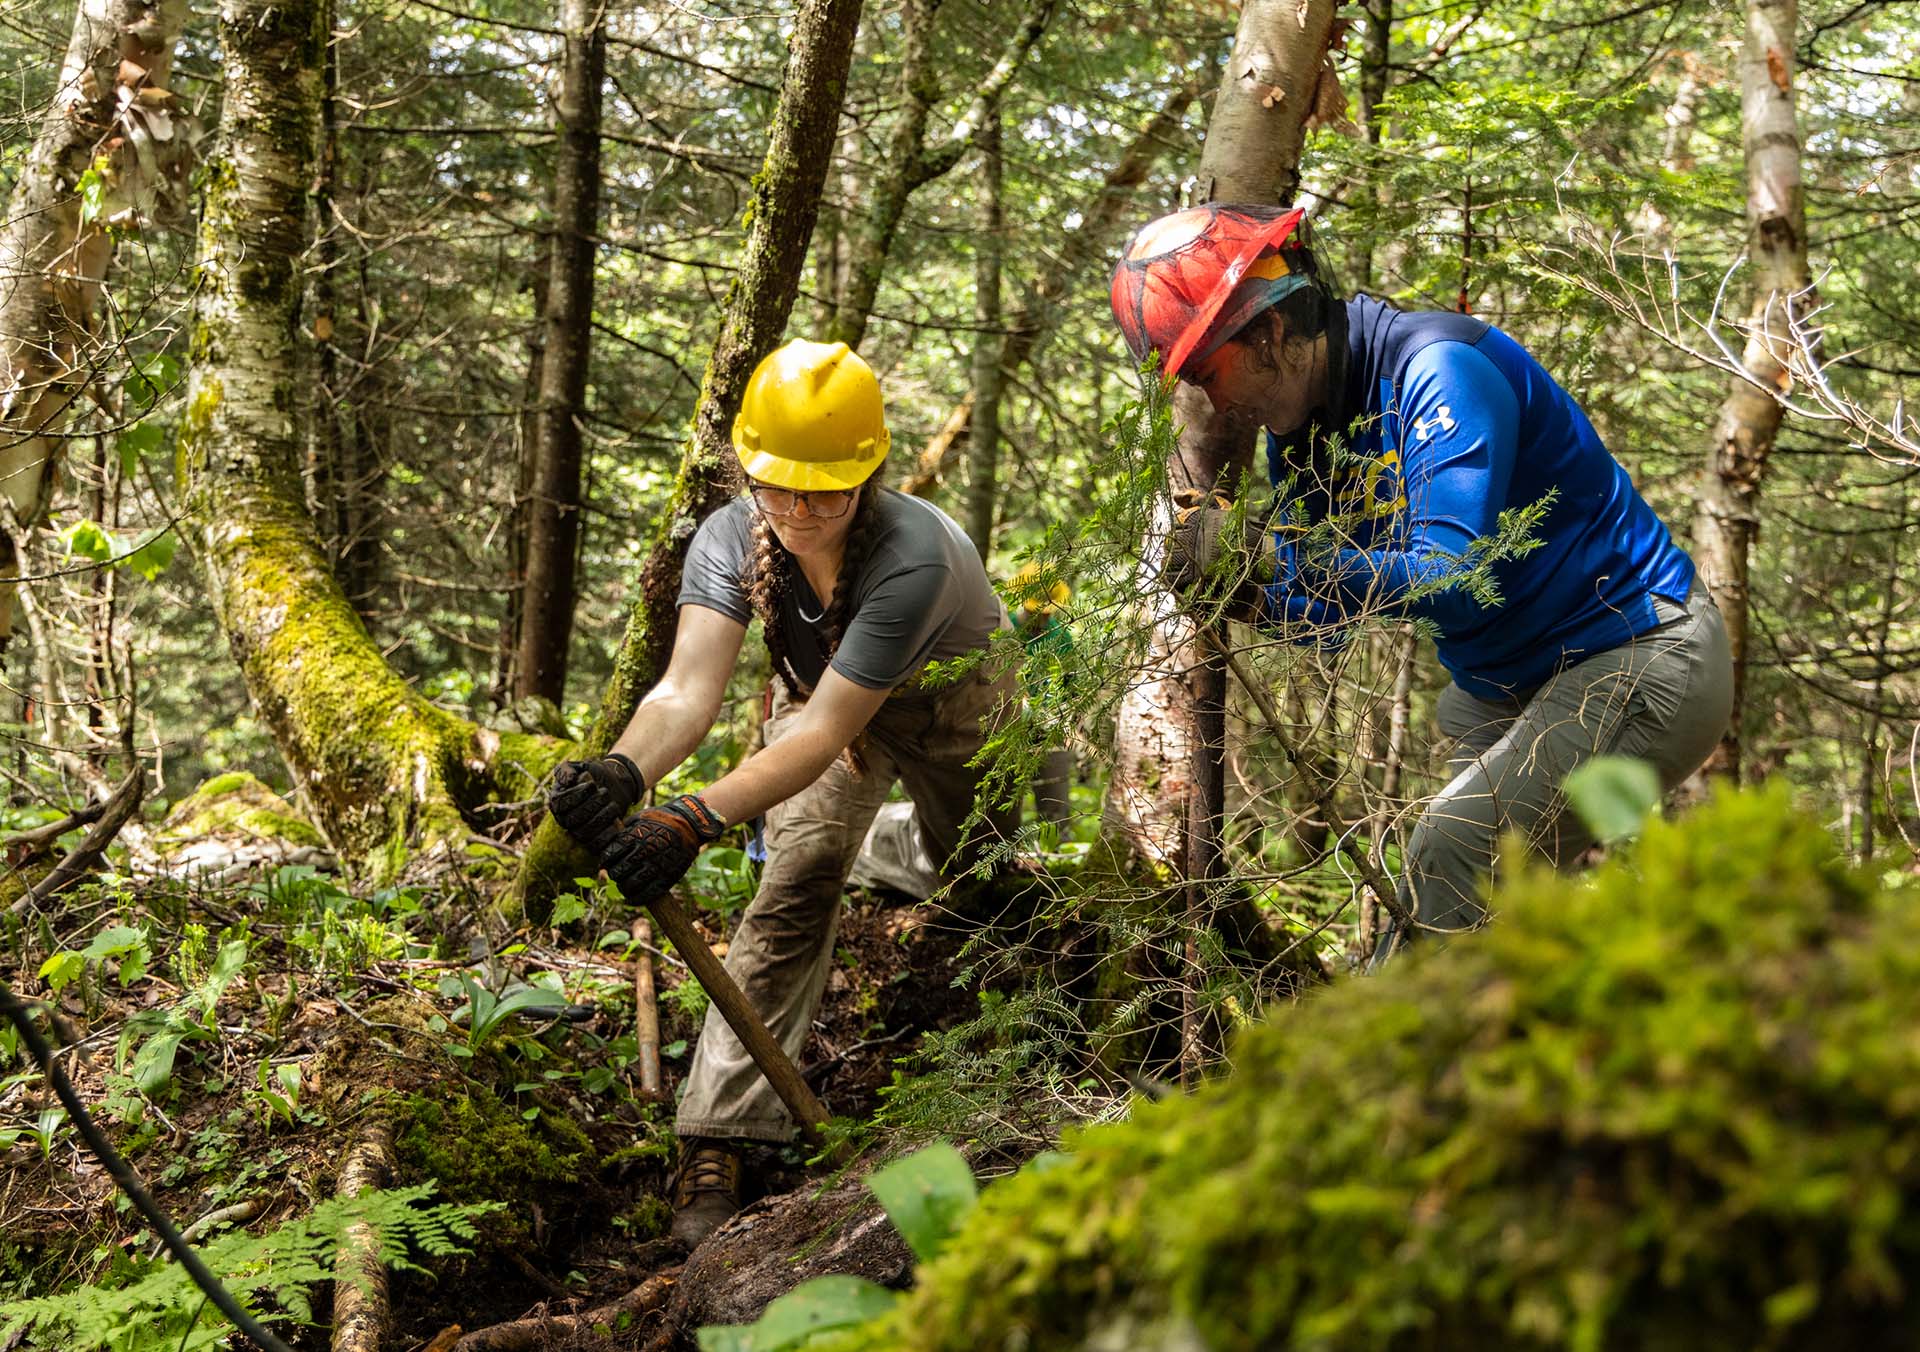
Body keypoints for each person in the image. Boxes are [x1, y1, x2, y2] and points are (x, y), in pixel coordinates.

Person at [1110, 203, 1733, 959]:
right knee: (1489, 904)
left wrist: (1270, 554)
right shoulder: (1304, 440)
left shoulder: (1438, 368)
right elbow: (1331, 618)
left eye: (1207, 370)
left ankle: (1382, 1065)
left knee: (1454, 849)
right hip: (1509, 685)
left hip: (1643, 651)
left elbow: (1450, 573)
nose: (1211, 401)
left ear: (1268, 331)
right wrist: (1243, 592)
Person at [545, 340, 1016, 1248]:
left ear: (868, 473)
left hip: (959, 703)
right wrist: (625, 770)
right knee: (795, 880)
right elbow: (687, 690)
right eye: (779, 487)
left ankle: (902, 853)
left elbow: (820, 732)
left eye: (826, 491)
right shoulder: (729, 537)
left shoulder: (915, 556)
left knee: (977, 878)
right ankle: (719, 1133)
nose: (800, 512)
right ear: (749, 470)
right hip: (830, 702)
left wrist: (696, 815)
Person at [1010, 563, 1075, 832]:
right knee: (1002, 796)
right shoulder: (1003, 629)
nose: (1042, 617)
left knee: (1054, 795)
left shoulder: (1062, 637)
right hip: (1007, 725)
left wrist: (1064, 713)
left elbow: (1071, 685)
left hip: (1050, 729)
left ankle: (1057, 847)